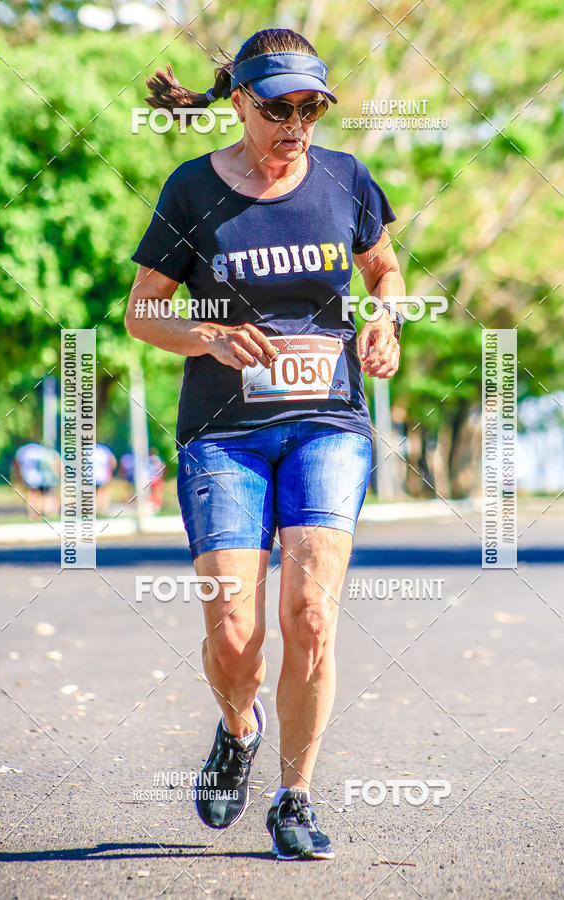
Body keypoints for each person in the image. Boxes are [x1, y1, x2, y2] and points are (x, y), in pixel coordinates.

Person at [126, 27, 405, 861]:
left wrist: (385, 318)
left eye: (312, 109)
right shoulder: (191, 190)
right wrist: (208, 336)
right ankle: (238, 728)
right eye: (280, 109)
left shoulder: (347, 179)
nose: (297, 125)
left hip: (329, 422)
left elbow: (384, 270)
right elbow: (143, 311)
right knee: (234, 635)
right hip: (225, 437)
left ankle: (295, 796)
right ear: (240, 102)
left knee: (311, 615)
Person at [13, 442, 61, 519]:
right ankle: (49, 514)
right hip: (47, 478)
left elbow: (17, 465)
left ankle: (34, 515)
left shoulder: (23, 451)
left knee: (34, 495)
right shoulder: (47, 451)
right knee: (49, 496)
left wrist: (19, 479)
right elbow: (57, 464)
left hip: (32, 478)